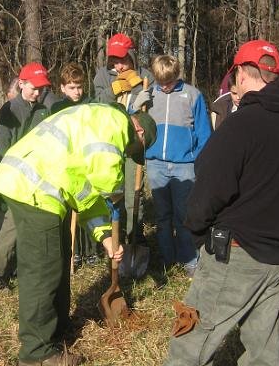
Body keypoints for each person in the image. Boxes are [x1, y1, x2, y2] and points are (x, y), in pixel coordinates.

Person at [153, 40, 279, 366]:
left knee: (189, 346)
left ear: (242, 74)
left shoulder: (239, 126)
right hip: (277, 258)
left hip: (234, 257)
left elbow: (207, 190)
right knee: (263, 351)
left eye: (235, 78)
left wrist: (195, 233)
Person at [0, 104, 156, 366]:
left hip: (43, 185)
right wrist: (114, 195)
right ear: (139, 131)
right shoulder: (114, 125)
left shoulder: (101, 117)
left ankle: (57, 326)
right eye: (135, 150)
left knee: (60, 257)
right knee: (44, 268)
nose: (129, 155)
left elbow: (84, 191)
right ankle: (36, 351)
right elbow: (104, 183)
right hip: (35, 188)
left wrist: (106, 237)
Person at [132, 54, 212, 276]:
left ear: (177, 76)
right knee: (162, 216)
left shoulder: (192, 95)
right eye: (161, 82)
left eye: (169, 82)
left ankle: (189, 259)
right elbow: (133, 124)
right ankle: (167, 258)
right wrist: (135, 107)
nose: (165, 87)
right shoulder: (150, 94)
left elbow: (204, 134)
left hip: (184, 165)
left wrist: (199, 161)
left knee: (183, 215)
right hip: (156, 164)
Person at [0, 62, 51, 289]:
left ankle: (24, 268)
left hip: (37, 178)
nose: (37, 92)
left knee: (31, 227)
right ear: (21, 83)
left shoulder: (43, 110)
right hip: (12, 176)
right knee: (9, 227)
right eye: (34, 87)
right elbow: (3, 146)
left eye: (41, 89)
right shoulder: (10, 109)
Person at [93, 33, 155, 239]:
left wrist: (140, 104)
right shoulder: (103, 76)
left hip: (133, 144)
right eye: (115, 61)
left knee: (133, 193)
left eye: (123, 60)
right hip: (109, 144)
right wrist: (114, 90)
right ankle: (111, 239)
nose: (119, 66)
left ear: (132, 56)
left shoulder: (146, 76)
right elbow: (97, 105)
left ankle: (134, 237)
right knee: (110, 192)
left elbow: (149, 116)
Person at [51, 63, 98, 267]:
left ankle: (91, 250)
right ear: (62, 88)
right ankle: (75, 250)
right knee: (71, 207)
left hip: (87, 161)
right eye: (71, 87)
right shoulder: (57, 108)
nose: (76, 91)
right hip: (67, 163)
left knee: (88, 203)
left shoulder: (90, 105)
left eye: (79, 86)